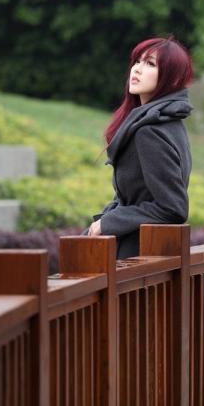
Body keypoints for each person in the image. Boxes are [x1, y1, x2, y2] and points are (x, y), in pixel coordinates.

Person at [85, 35, 194, 259]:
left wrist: (109, 223)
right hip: (145, 250)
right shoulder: (168, 123)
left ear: (171, 79)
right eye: (137, 61)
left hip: (137, 255)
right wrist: (103, 220)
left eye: (150, 64)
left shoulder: (150, 131)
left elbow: (173, 207)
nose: (137, 69)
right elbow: (137, 196)